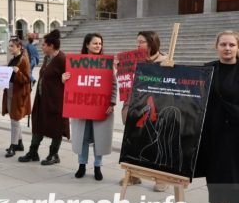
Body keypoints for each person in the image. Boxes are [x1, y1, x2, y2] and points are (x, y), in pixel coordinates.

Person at [196, 31, 239, 203]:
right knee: (213, 168)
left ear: (237, 47)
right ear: (217, 46)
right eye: (223, 44)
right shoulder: (208, 69)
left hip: (235, 129)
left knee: (233, 170)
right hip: (212, 128)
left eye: (231, 45)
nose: (227, 48)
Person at [62, 33, 116, 181]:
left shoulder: (106, 63)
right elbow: (71, 85)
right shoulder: (76, 63)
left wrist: (112, 103)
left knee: (100, 138)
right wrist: (64, 79)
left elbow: (113, 84)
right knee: (83, 138)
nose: (98, 46)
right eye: (95, 43)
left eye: (100, 43)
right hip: (82, 107)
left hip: (101, 107)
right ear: (87, 45)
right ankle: (82, 165)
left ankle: (98, 166)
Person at [119, 30, 168, 191]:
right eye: (137, 42)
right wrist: (120, 67)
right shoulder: (133, 59)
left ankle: (161, 178)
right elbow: (126, 80)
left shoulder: (165, 60)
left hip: (155, 106)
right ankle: (133, 175)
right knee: (133, 140)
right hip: (135, 104)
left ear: (151, 43)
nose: (138, 45)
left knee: (156, 140)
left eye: (141, 42)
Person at [19, 29, 69, 165]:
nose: (41, 47)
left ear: (51, 46)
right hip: (42, 100)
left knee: (57, 127)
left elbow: (70, 80)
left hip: (56, 102)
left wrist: (64, 80)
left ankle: (54, 154)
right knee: (38, 124)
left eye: (44, 45)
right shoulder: (47, 58)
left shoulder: (62, 59)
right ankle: (33, 152)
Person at [2, 38, 32, 157]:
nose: (9, 48)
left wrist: (18, 72)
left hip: (17, 93)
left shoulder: (23, 60)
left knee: (15, 119)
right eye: (9, 46)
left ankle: (13, 145)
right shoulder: (13, 59)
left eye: (12, 46)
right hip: (10, 91)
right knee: (14, 118)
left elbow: (27, 79)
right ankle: (19, 143)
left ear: (19, 47)